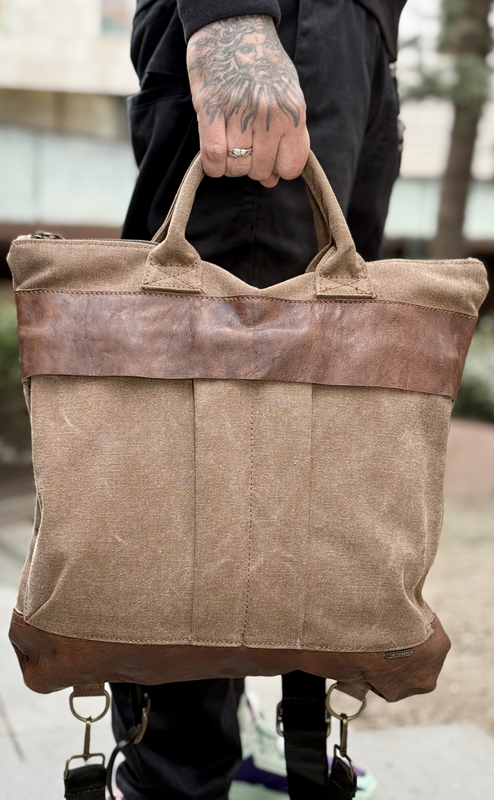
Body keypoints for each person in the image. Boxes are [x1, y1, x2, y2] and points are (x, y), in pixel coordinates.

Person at [112, 2, 406, 798]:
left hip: (357, 40)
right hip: (278, 19)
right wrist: (230, 19)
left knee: (309, 412)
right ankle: (175, 775)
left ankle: (254, 736)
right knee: (200, 439)